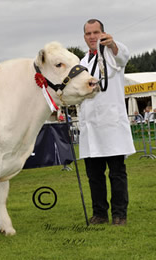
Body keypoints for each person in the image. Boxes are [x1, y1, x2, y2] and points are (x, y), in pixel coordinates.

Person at [78, 19, 135, 226]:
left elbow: (123, 56)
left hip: (111, 125)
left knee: (117, 173)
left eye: (96, 32)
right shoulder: (81, 63)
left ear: (103, 33)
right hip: (90, 127)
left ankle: (120, 214)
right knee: (94, 175)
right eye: (88, 34)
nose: (92, 37)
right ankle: (100, 213)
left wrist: (111, 44)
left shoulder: (113, 53)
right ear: (84, 37)